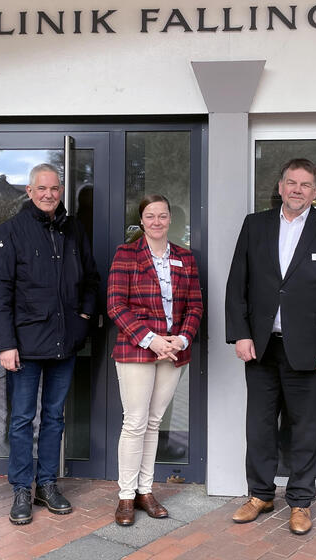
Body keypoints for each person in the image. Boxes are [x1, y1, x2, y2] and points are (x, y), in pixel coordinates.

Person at [225, 158, 316, 535]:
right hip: (262, 348)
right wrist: (241, 334)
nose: (297, 190)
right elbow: (237, 284)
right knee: (259, 427)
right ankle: (260, 495)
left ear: (315, 192)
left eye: (305, 185)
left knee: (305, 429)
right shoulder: (255, 225)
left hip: (313, 351)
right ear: (280, 186)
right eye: (291, 182)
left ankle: (300, 501)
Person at [0, 163, 100, 525]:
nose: (49, 194)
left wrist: (84, 317)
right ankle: (22, 488)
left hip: (64, 344)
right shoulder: (11, 232)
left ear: (60, 191)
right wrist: (5, 344)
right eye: (42, 188)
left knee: (54, 417)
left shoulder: (73, 230)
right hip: (24, 346)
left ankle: (47, 484)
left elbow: (91, 279)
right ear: (30, 191)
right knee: (22, 419)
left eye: (54, 189)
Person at [106, 194, 203, 526]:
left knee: (154, 422)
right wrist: (152, 340)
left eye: (162, 216)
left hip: (174, 350)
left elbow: (195, 305)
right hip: (137, 348)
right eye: (150, 216)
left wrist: (182, 338)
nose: (157, 222)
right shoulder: (126, 254)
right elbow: (116, 305)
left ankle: (144, 491)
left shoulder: (185, 257)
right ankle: (125, 495)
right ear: (142, 220)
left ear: (170, 219)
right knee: (135, 422)